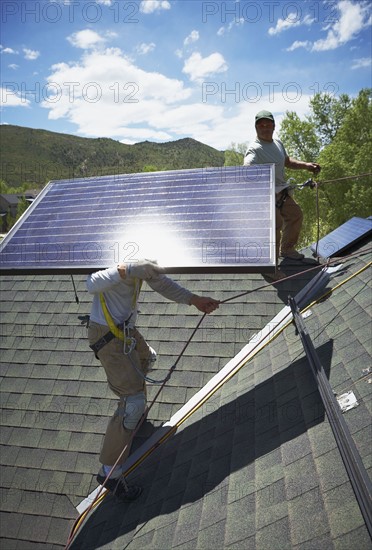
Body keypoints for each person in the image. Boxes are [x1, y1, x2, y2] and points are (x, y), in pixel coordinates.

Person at [86, 259, 219, 501]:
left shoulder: (143, 262)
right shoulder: (117, 263)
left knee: (147, 359)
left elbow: (163, 285)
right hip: (106, 335)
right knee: (133, 402)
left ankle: (134, 422)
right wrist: (121, 271)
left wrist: (195, 300)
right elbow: (91, 283)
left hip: (124, 329)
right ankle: (110, 474)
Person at [244, 110, 320, 280]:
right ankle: (269, 267)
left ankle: (286, 249)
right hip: (266, 195)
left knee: (295, 215)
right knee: (274, 228)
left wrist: (307, 165)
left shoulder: (277, 143)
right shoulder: (254, 148)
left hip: (282, 192)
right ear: (256, 127)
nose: (264, 127)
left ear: (273, 126)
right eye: (260, 125)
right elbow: (248, 165)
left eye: (267, 124)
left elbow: (286, 161)